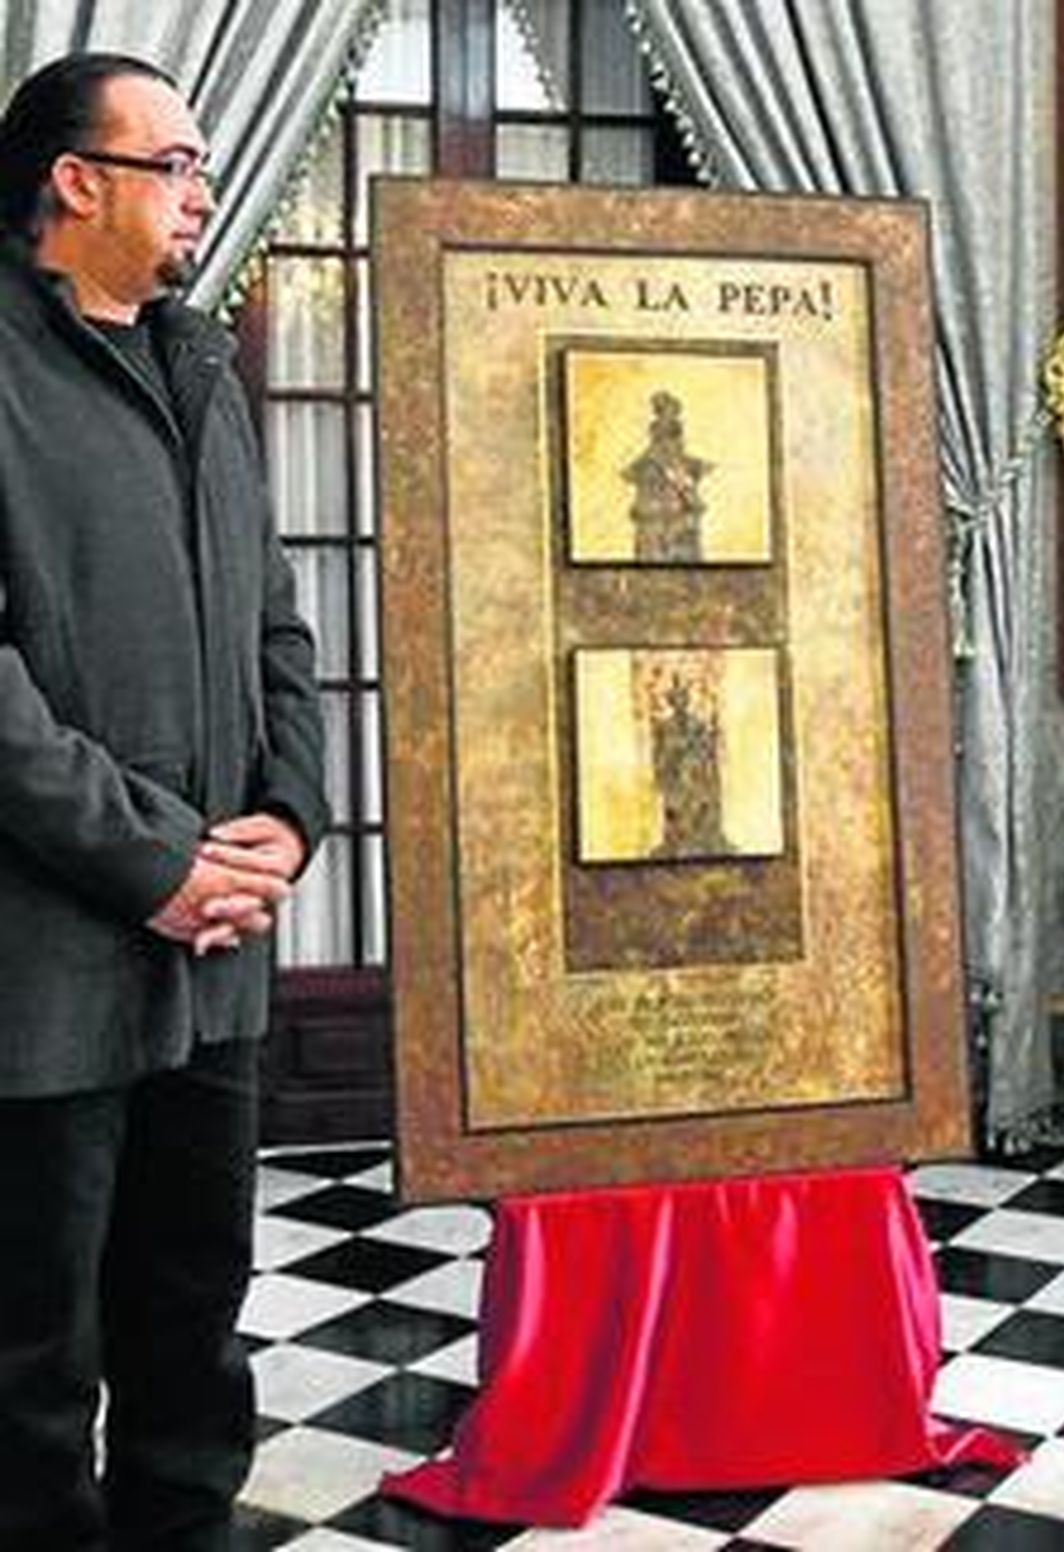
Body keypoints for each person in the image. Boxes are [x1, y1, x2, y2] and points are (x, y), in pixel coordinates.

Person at [0, 53, 328, 1549]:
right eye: (175, 164)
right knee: (30, 1360)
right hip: (44, 969)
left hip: (215, 962)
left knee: (195, 1330)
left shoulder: (201, 364)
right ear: (75, 181)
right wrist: (155, 865)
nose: (201, 192)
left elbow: (274, 623)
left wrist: (290, 818)